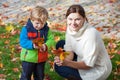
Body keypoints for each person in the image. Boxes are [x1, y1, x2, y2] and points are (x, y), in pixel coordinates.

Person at [54, 4, 112, 80]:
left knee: (60, 68)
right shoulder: (70, 27)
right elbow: (69, 51)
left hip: (97, 69)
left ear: (84, 19)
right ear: (67, 19)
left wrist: (67, 63)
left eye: (77, 19)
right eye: (70, 19)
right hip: (83, 56)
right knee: (61, 44)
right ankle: (73, 70)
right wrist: (63, 61)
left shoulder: (91, 34)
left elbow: (88, 65)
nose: (73, 23)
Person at [19, 6, 55, 80]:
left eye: (43, 23)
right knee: (26, 76)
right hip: (28, 58)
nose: (40, 26)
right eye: (37, 23)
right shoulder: (26, 29)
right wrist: (32, 45)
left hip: (41, 58)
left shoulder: (46, 30)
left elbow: (51, 40)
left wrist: (46, 45)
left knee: (39, 76)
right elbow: (23, 41)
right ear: (32, 20)